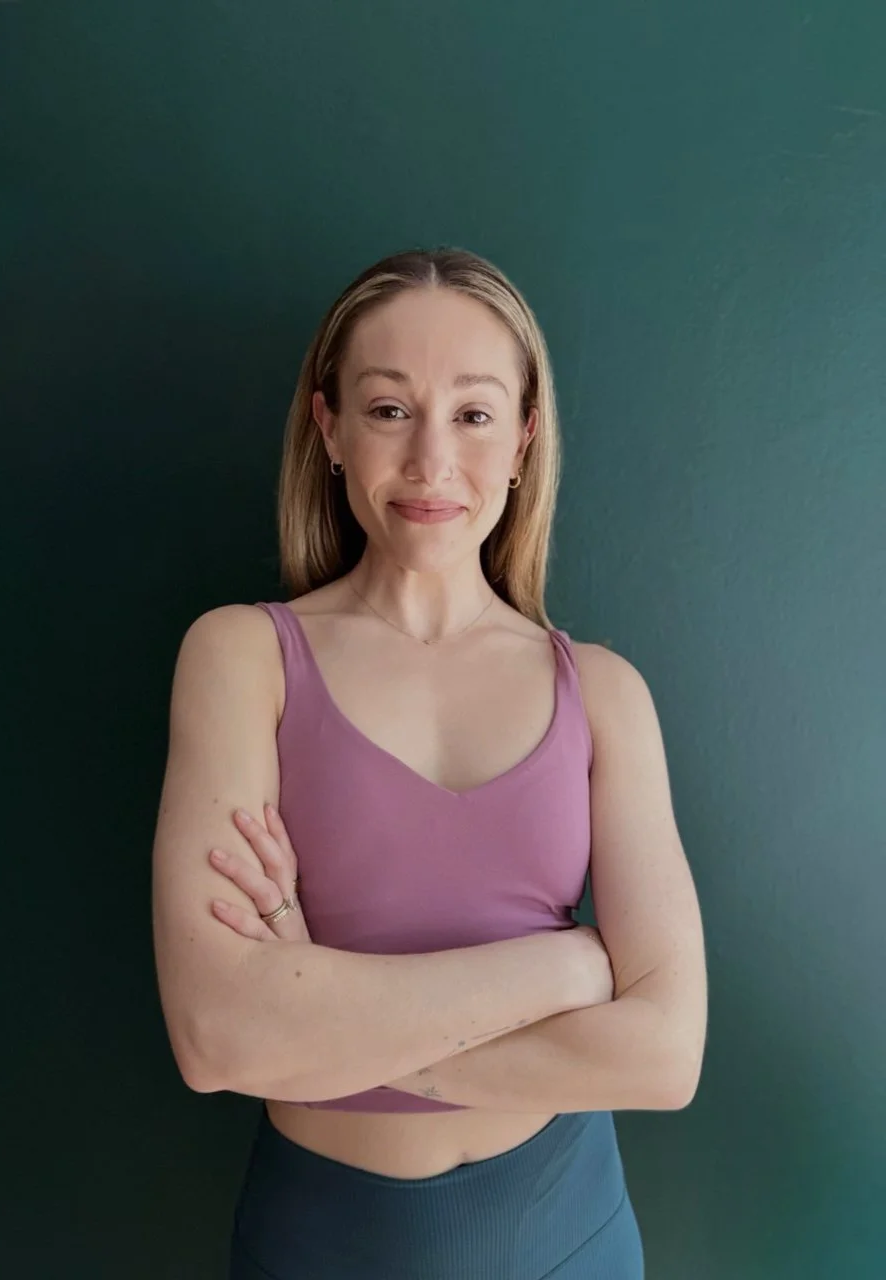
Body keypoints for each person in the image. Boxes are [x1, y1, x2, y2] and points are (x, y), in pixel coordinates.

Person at [151, 246, 707, 1279]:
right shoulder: (240, 657)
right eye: (389, 409)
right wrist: (569, 967)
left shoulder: (606, 693)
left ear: (525, 437)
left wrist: (325, 1028)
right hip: (322, 1243)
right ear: (329, 427)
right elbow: (218, 1036)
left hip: (573, 1238)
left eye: (475, 412)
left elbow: (667, 1054)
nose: (431, 461)